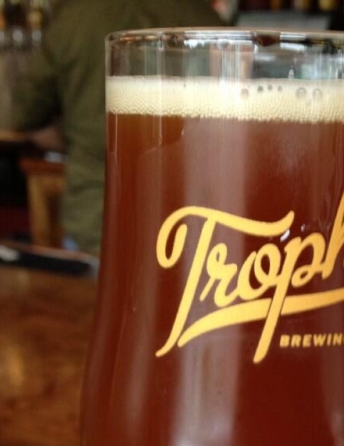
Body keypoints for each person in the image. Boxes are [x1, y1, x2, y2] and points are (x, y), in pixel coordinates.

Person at [13, 0, 223, 256]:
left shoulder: (73, 17)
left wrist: (79, 138)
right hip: (195, 221)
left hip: (97, 214)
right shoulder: (203, 15)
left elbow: (25, 116)